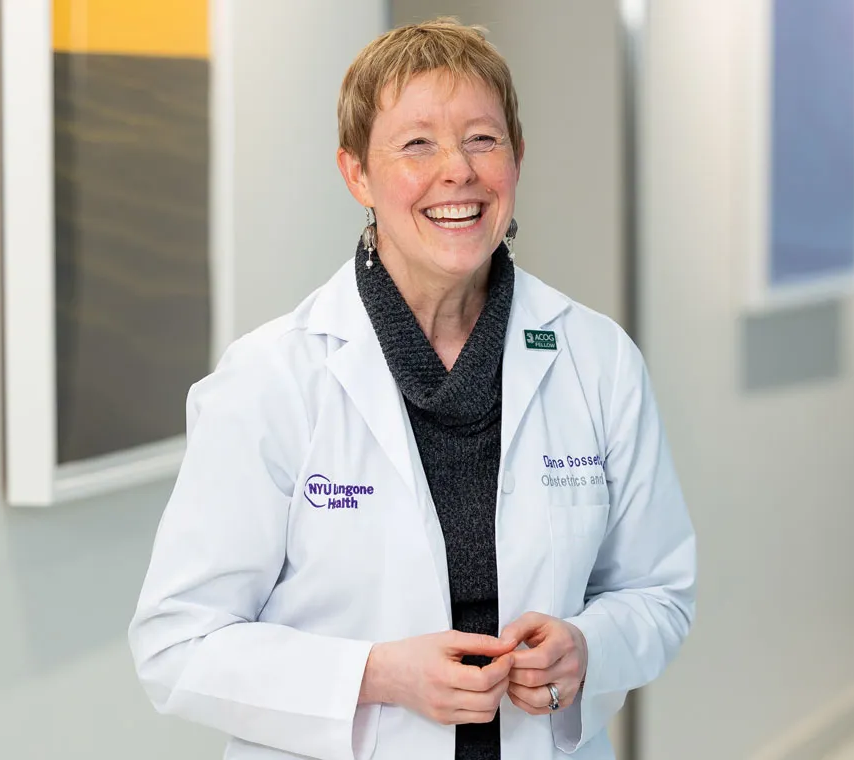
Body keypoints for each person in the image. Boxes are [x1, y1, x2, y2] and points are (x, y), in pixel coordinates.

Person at [128, 17, 696, 760]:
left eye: (483, 139)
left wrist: (588, 647)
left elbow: (659, 592)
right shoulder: (273, 378)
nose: (457, 170)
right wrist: (377, 675)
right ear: (357, 174)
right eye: (417, 144)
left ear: (517, 158)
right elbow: (178, 643)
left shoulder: (596, 358)